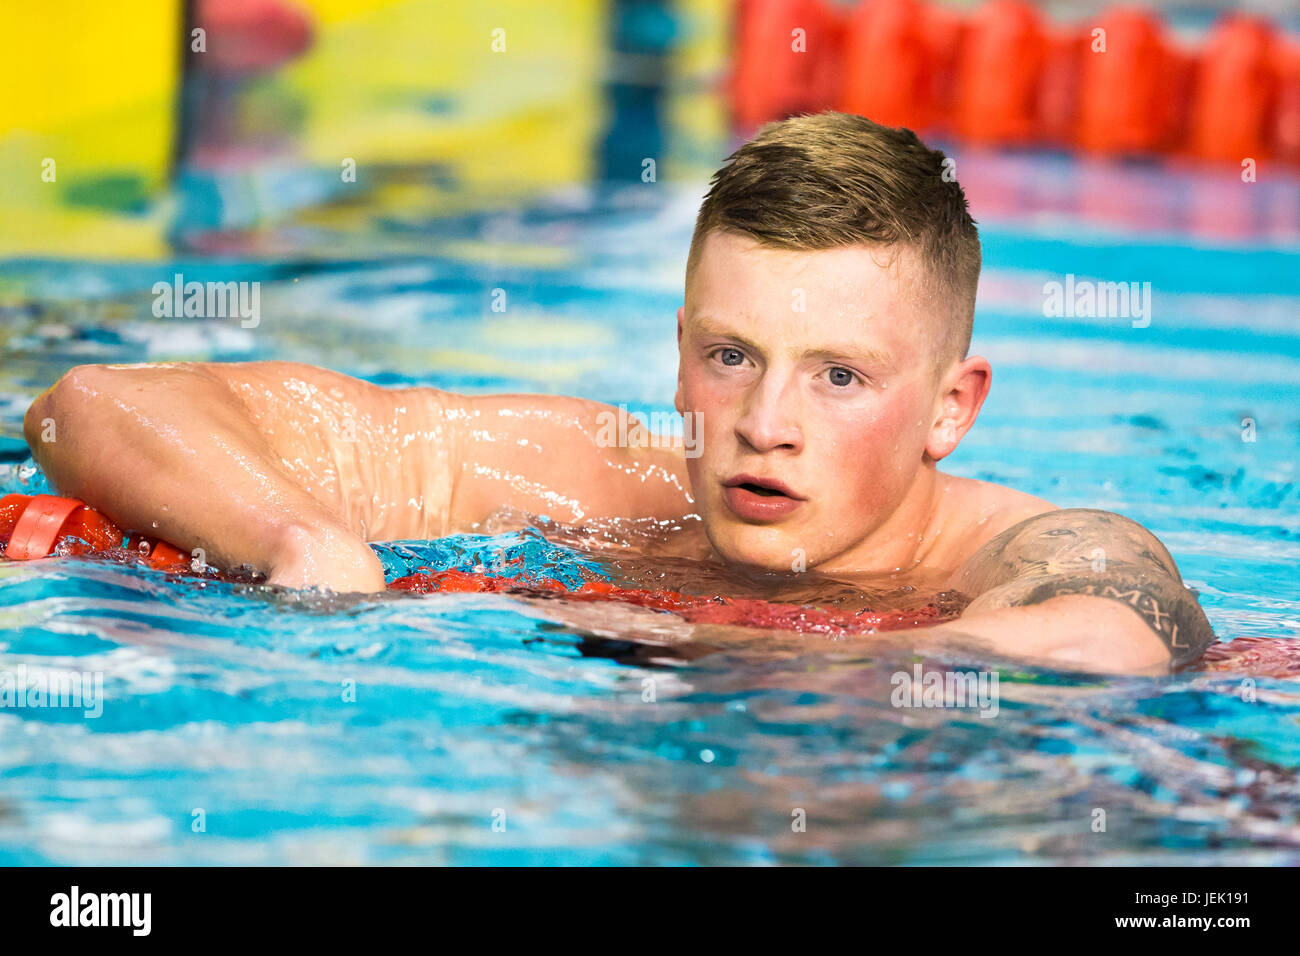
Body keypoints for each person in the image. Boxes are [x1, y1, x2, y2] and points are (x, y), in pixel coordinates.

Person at [23, 112, 1215, 673]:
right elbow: (94, 403)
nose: (764, 424)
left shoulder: (1041, 546)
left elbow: (1105, 645)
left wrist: (699, 643)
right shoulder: (593, 478)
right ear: (680, 344)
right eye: (733, 355)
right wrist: (299, 536)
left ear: (953, 408)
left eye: (839, 376)